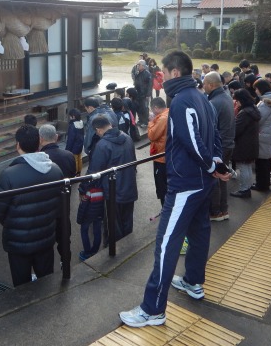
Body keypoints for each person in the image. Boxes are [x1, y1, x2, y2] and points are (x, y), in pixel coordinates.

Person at [119, 51, 228, 328]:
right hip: (202, 183)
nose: (162, 78)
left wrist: (209, 164)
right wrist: (216, 164)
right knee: (200, 231)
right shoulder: (202, 97)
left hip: (185, 184)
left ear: (174, 73)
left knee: (166, 243)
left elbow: (191, 140)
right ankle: (193, 281)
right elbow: (214, 136)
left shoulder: (180, 101)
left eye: (164, 73)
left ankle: (153, 309)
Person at [0, 125, 63, 287]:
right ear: (39, 142)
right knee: (46, 280)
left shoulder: (9, 175)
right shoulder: (55, 170)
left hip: (19, 240)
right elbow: (59, 203)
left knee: (21, 284)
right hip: (46, 235)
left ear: (18, 145)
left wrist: (15, 224)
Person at [86, 115, 137, 241]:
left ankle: (115, 252)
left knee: (113, 224)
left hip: (113, 190)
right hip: (129, 187)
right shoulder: (127, 138)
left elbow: (94, 171)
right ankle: (127, 248)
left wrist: (83, 188)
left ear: (98, 130)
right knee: (127, 221)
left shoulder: (102, 145)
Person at [39, 123, 76, 265]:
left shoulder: (39, 159)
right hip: (63, 204)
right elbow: (72, 175)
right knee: (64, 236)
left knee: (44, 239)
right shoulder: (68, 155)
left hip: (45, 207)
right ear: (56, 137)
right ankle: (65, 262)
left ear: (40, 139)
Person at [204, 72, 235, 220]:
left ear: (211, 85)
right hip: (228, 143)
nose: (203, 87)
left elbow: (211, 129)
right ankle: (224, 210)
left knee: (215, 178)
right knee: (223, 177)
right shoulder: (226, 97)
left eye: (204, 84)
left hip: (220, 146)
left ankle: (215, 212)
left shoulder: (214, 102)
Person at [230, 89, 261, 198]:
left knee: (243, 167)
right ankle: (246, 188)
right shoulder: (253, 109)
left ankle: (244, 189)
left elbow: (236, 129)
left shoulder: (244, 113)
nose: (236, 103)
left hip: (243, 144)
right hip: (251, 143)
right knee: (246, 167)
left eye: (237, 101)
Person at [253, 79, 271, 192]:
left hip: (263, 134)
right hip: (268, 133)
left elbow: (258, 118)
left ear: (261, 89)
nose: (255, 91)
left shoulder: (266, 103)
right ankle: (263, 184)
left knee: (262, 163)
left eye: (256, 89)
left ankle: (261, 185)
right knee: (264, 162)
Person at [148, 97, 169, 206]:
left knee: (162, 185)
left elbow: (152, 135)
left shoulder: (162, 119)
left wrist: (151, 122)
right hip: (167, 153)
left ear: (156, 108)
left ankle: (165, 208)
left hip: (161, 156)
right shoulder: (169, 112)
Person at [65, 108, 84, 176]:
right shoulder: (81, 123)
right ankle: (79, 172)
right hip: (80, 145)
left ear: (73, 116)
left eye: (70, 116)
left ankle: (75, 173)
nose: (69, 117)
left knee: (74, 160)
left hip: (74, 146)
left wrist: (67, 149)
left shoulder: (72, 126)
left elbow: (71, 139)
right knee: (79, 158)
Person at [134, 59, 152, 126]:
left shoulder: (147, 74)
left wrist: (148, 94)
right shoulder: (137, 73)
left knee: (145, 108)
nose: (137, 66)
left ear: (143, 66)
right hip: (138, 94)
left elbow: (150, 85)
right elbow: (135, 84)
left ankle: (145, 121)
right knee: (138, 108)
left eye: (139, 64)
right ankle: (140, 120)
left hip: (144, 95)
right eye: (137, 64)